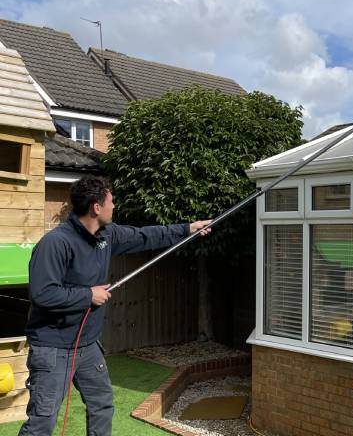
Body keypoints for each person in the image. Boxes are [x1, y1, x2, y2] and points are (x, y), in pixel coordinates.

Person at [18, 176, 212, 436]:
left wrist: (188, 228)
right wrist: (87, 295)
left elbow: (145, 236)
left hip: (87, 346)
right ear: (96, 207)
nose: (114, 205)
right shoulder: (55, 244)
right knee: (42, 421)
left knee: (102, 406)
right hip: (53, 349)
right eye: (111, 201)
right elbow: (42, 294)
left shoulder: (106, 235)